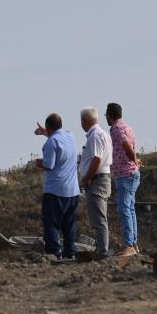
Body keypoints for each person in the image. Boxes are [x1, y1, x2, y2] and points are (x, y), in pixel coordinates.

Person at [34, 113, 80, 258]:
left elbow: (49, 164)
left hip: (55, 190)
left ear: (48, 127)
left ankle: (54, 252)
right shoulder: (69, 136)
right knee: (69, 224)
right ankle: (70, 252)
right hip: (72, 190)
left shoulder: (51, 142)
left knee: (51, 223)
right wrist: (45, 133)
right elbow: (58, 141)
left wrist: (39, 163)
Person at [106, 102, 142, 257]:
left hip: (125, 174)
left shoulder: (116, 129)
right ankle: (133, 243)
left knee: (124, 208)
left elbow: (126, 144)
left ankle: (129, 244)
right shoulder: (127, 126)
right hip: (130, 173)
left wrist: (133, 159)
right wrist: (134, 159)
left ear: (109, 115)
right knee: (130, 208)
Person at [78, 106, 113, 256]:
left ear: (84, 121)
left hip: (97, 180)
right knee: (98, 217)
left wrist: (87, 178)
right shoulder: (102, 134)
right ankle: (101, 248)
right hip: (100, 179)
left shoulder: (95, 135)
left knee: (99, 218)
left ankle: (102, 251)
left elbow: (97, 159)